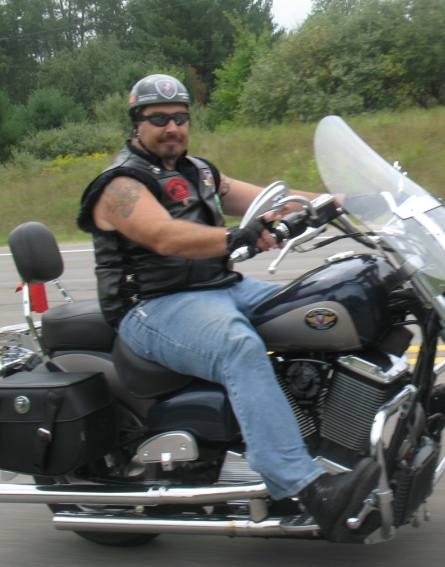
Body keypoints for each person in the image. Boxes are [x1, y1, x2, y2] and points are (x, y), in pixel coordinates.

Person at [76, 73, 377, 542]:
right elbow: (163, 236)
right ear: (137, 123)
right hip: (153, 307)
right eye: (159, 119)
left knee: (324, 306)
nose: (172, 127)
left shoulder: (199, 172)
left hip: (221, 287)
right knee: (239, 346)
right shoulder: (119, 186)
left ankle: (352, 435)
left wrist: (342, 201)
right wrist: (236, 236)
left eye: (180, 117)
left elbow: (272, 202)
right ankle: (305, 487)